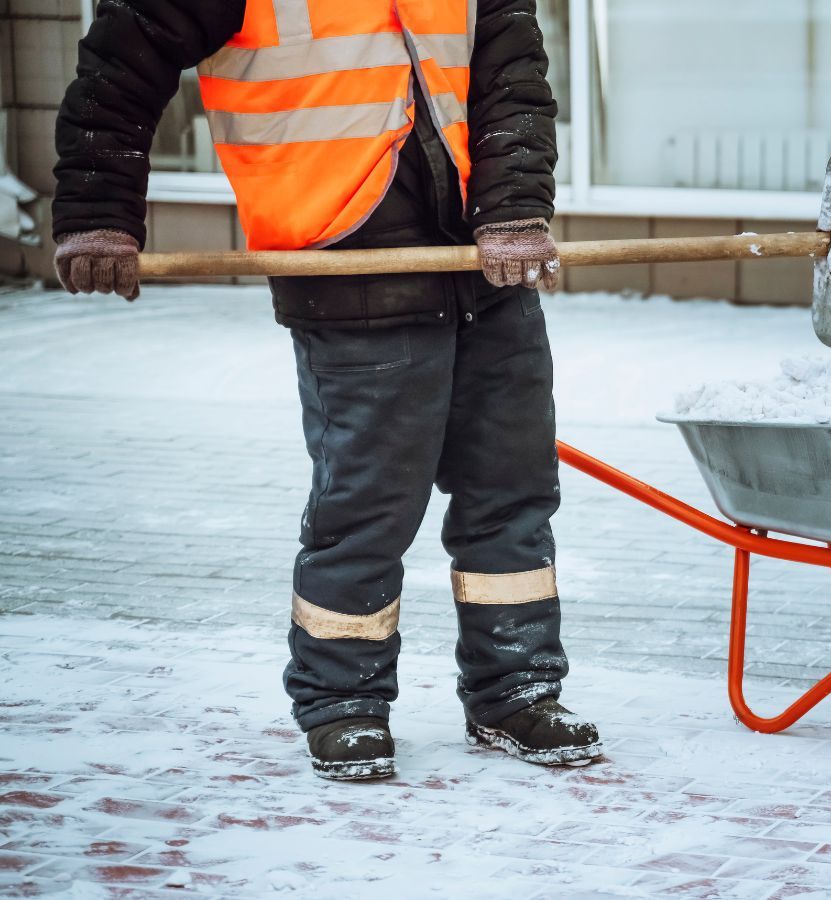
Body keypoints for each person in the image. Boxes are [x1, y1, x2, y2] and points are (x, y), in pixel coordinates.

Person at [50, 0, 602, 780]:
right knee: (369, 505)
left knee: (510, 490)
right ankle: (343, 703)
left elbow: (511, 74)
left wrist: (515, 211)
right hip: (347, 259)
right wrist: (99, 213)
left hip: (488, 265)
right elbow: (122, 58)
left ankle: (518, 691)